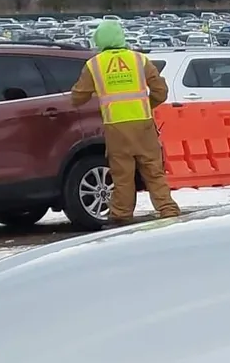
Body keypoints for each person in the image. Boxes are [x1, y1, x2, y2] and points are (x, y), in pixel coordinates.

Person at [68, 18, 180, 223]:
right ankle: (168, 210)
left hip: (116, 128)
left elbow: (78, 97)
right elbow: (160, 91)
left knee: (122, 176)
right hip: (143, 125)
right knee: (154, 172)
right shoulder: (139, 60)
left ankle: (121, 216)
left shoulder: (94, 65)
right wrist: (146, 105)